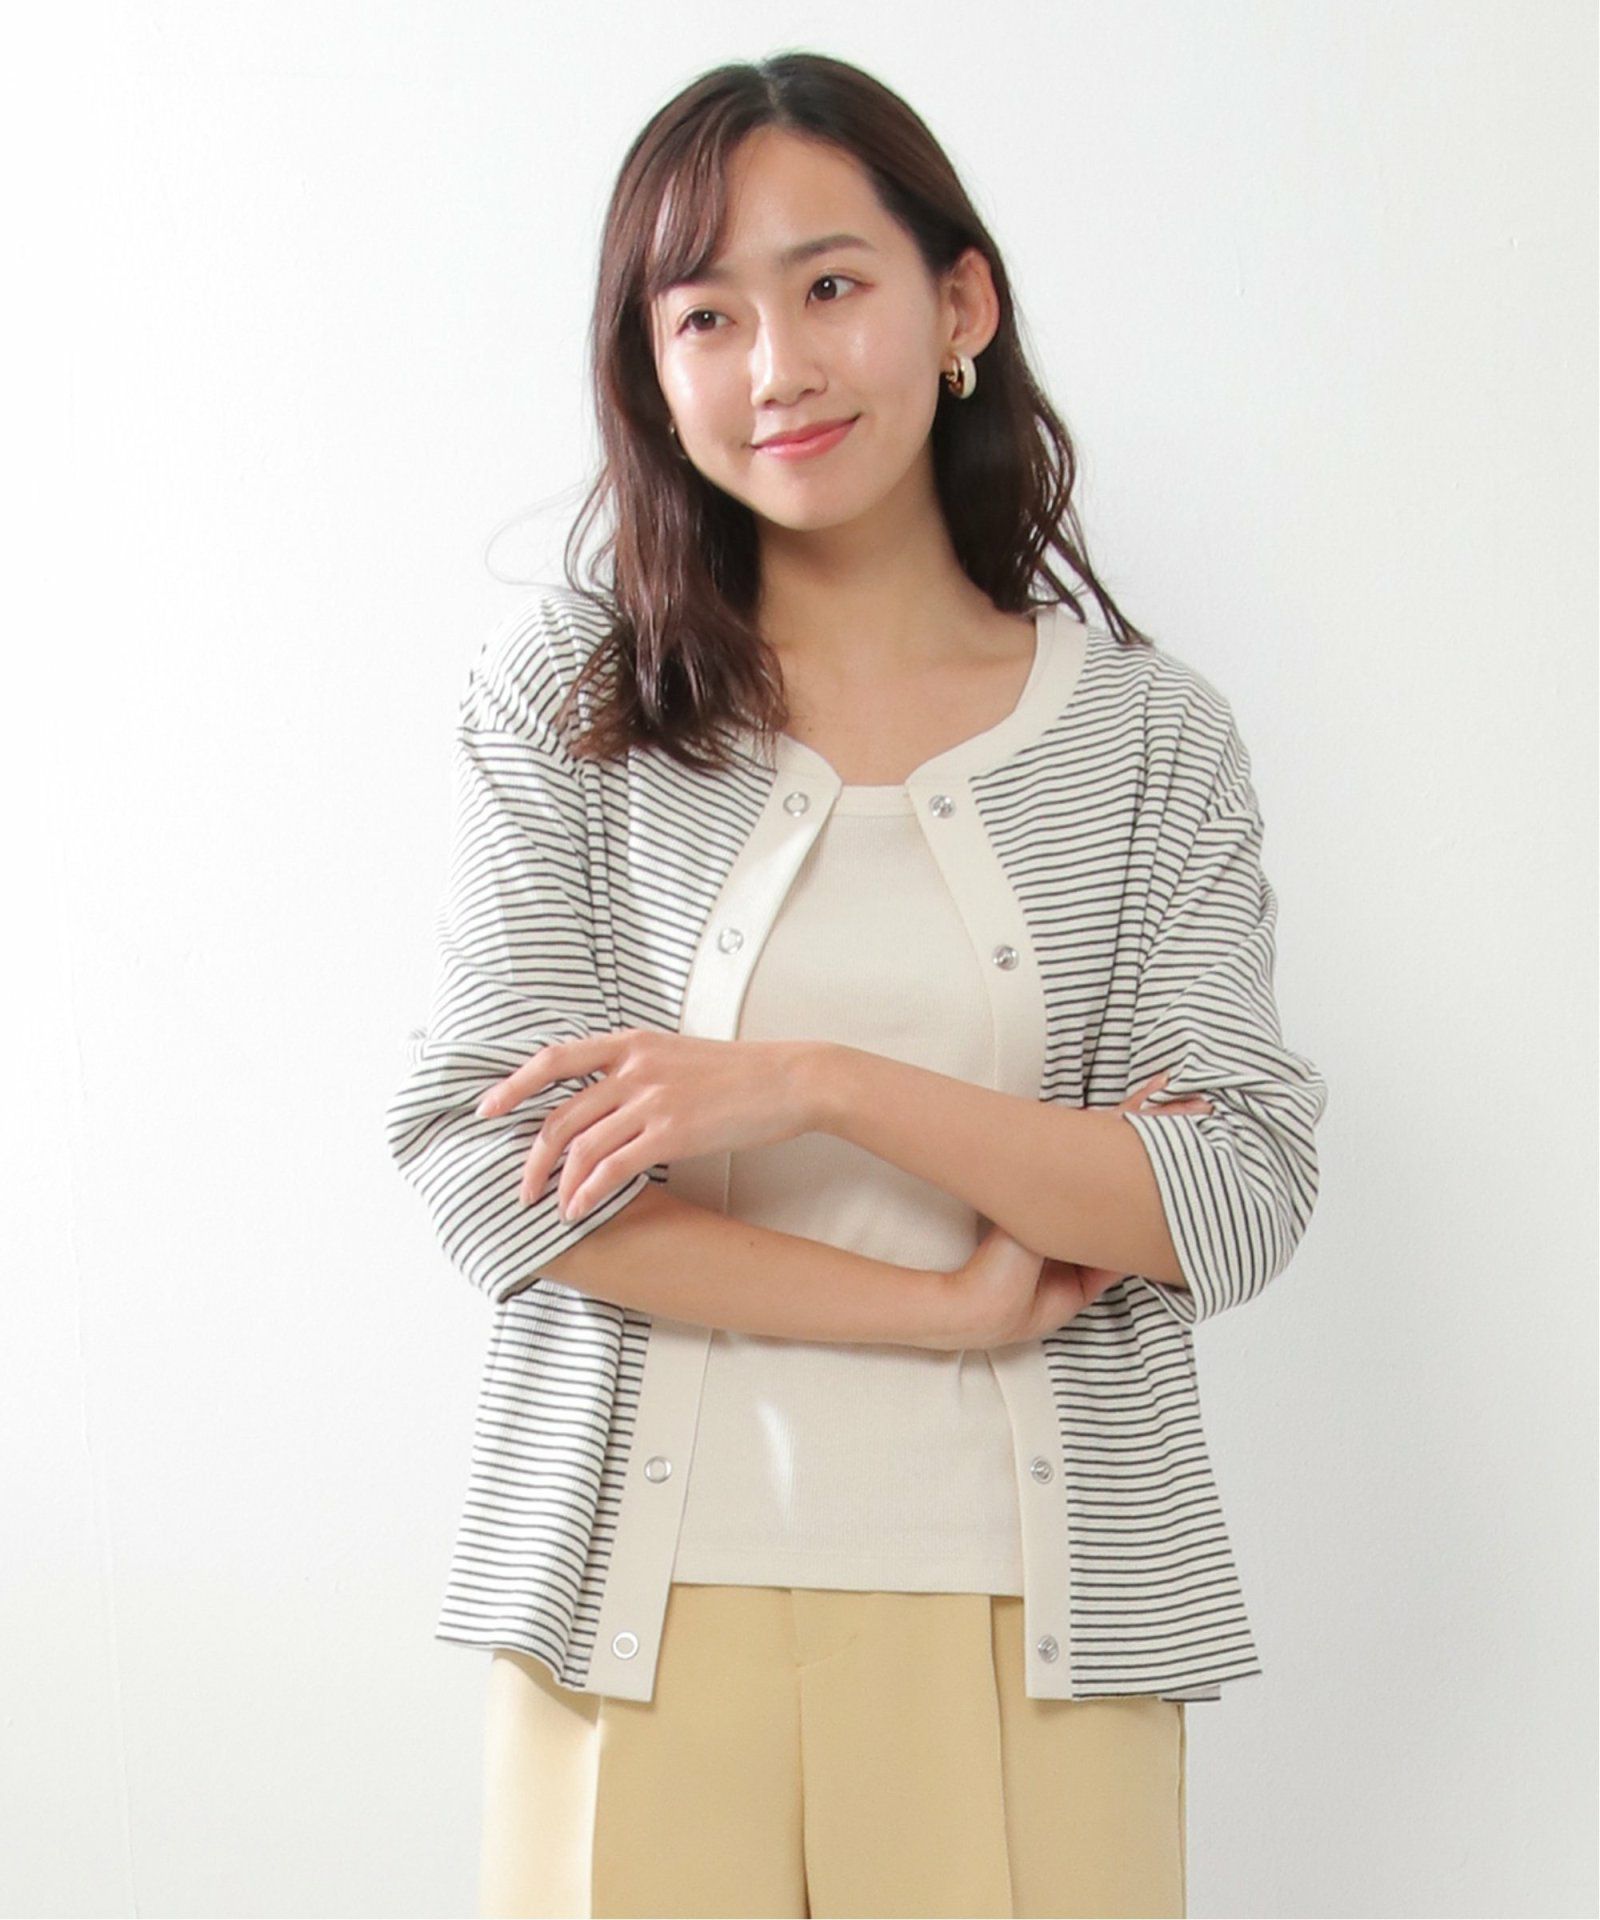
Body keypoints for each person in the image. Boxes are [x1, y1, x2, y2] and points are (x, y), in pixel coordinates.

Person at [384, 49, 1329, 1920]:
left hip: (1046, 1636)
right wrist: (948, 1305)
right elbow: (486, 1168)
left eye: (830, 285)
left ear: (959, 304)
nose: (777, 368)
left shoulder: (1147, 739)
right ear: (650, 369)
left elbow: (1229, 1189)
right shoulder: (574, 699)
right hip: (637, 1625)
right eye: (705, 316)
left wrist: (816, 1084)